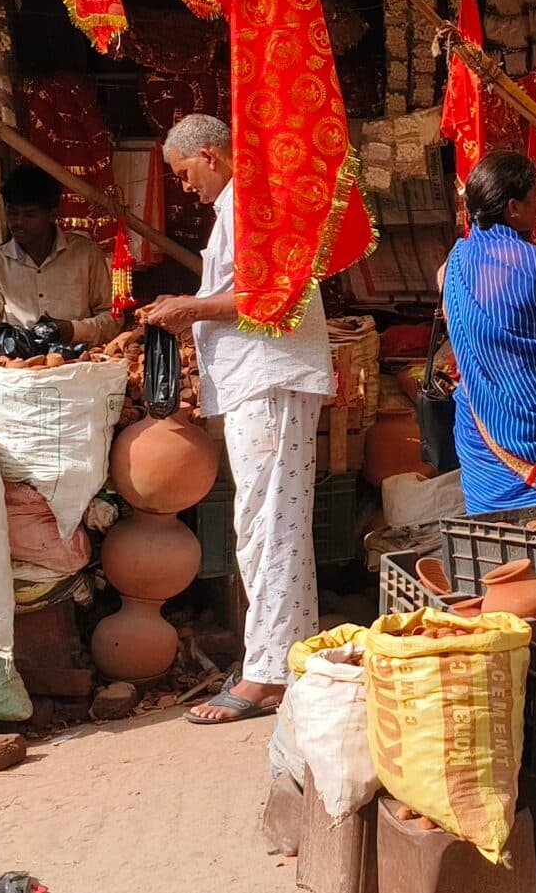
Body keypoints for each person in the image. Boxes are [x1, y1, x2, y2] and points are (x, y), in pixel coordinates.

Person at [132, 114, 334, 726]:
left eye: (184, 172)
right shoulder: (239, 208)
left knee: (267, 527)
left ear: (211, 155)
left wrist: (190, 307)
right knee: (274, 525)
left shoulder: (249, 207)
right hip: (263, 380)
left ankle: (266, 675)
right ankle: (284, 661)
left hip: (268, 379)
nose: (184, 186)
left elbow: (270, 295)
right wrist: (188, 305)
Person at [442, 151, 536, 515]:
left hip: (478, 422)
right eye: (535, 197)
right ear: (513, 208)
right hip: (535, 431)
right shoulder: (533, 262)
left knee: (488, 529)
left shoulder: (454, 259)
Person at [0, 163, 121, 345]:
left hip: (81, 357)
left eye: (29, 215)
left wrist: (72, 330)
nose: (18, 223)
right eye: (13, 214)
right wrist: (13, 344)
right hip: (21, 361)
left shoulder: (86, 254)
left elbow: (112, 318)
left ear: (52, 214)